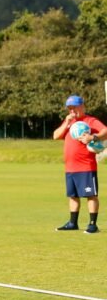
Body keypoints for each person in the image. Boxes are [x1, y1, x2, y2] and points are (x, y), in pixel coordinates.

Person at [52, 94, 106, 234]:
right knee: (73, 195)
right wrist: (66, 123)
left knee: (91, 195)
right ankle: (73, 223)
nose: (72, 111)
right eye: (69, 108)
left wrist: (93, 137)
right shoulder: (69, 123)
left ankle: (92, 225)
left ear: (82, 106)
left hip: (86, 166)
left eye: (74, 107)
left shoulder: (90, 121)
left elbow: (105, 131)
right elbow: (56, 135)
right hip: (70, 167)